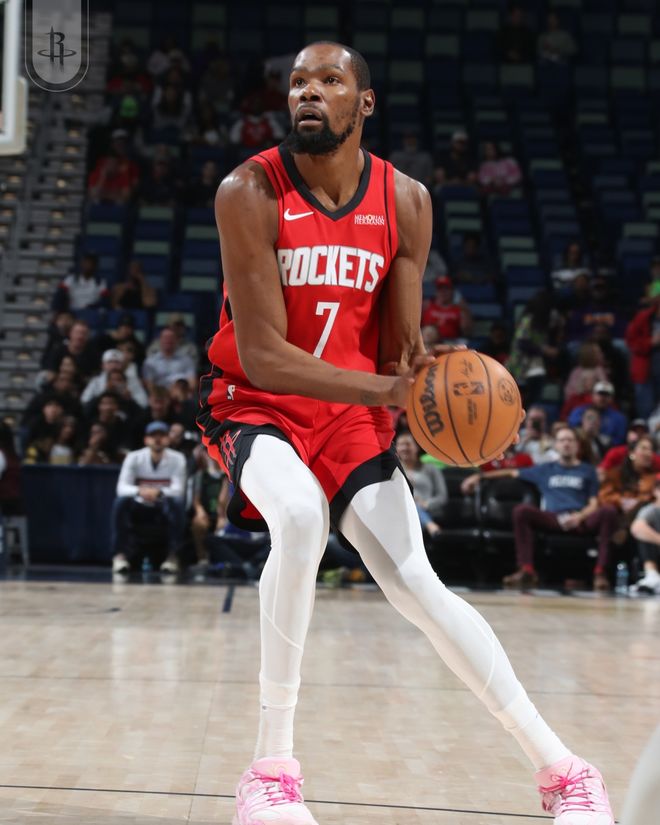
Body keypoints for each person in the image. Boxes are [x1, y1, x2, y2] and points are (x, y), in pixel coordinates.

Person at [197, 41, 613, 825]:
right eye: (298, 82)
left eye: (329, 81)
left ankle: (564, 770)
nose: (307, 93)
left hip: (352, 415)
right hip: (256, 402)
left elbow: (400, 349)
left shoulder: (407, 201)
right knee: (298, 517)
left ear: (364, 103)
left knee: (418, 583)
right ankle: (271, 771)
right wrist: (392, 388)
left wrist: (435, 394)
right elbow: (263, 354)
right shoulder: (248, 191)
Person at [462, 426, 618, 592]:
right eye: (562, 440)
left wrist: (579, 517)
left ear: (577, 445)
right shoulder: (545, 469)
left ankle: (600, 573)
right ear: (556, 445)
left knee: (608, 511)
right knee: (522, 511)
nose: (566, 444)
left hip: (580, 518)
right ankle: (526, 570)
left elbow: (594, 503)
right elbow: (511, 472)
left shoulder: (588, 470)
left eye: (570, 440)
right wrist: (479, 476)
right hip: (553, 518)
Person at [111, 420, 186, 575]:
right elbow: (121, 488)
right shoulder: (133, 457)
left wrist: (158, 492)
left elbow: (179, 490)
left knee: (178, 503)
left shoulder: (178, 458)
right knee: (120, 502)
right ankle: (120, 555)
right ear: (146, 439)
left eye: (162, 435)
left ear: (168, 439)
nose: (157, 439)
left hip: (162, 504)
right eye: (153, 435)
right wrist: (140, 491)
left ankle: (173, 556)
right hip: (139, 503)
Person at [394, 430, 447, 538]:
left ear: (416, 447)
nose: (404, 448)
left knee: (413, 509)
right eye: (400, 445)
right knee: (409, 506)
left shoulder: (431, 468)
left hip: (428, 510)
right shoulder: (395, 471)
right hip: (401, 510)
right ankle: (429, 524)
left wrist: (427, 504)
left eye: (407, 444)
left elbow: (442, 496)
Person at [568, 380, 628, 447]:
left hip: (607, 449)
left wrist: (602, 439)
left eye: (607, 395)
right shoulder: (579, 411)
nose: (603, 398)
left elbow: (619, 440)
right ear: (593, 395)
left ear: (612, 398)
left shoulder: (619, 418)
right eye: (600, 394)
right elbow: (571, 429)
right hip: (581, 445)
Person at [629, 477, 660, 595]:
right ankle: (652, 575)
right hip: (656, 553)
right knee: (645, 533)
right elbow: (637, 528)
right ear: (656, 491)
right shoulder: (651, 510)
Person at [142, 328, 196, 392]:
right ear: (160, 340)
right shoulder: (150, 361)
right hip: (159, 394)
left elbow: (192, 382)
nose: (168, 340)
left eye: (171, 338)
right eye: (165, 338)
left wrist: (184, 393)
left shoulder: (187, 360)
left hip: (180, 394)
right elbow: (148, 383)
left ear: (176, 340)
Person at [421, 276, 472, 343]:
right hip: (428, 342)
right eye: (440, 289)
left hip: (450, 343)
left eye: (446, 289)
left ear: (452, 291)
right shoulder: (427, 306)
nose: (443, 292)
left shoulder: (459, 309)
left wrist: (464, 309)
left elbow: (467, 332)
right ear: (436, 292)